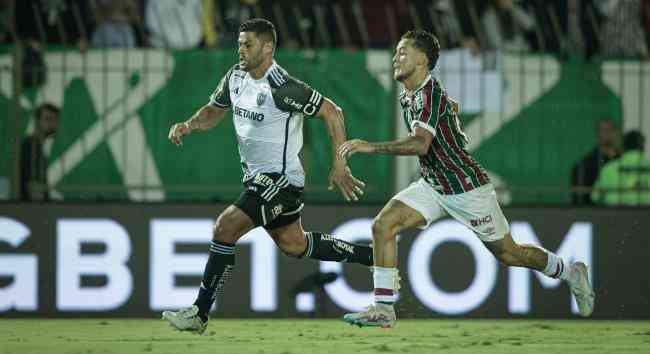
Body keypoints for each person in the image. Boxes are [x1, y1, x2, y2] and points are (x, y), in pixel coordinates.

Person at [338, 29, 595, 328]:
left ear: (422, 60)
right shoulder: (412, 93)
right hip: (434, 185)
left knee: (510, 254)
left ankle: (570, 271)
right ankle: (383, 308)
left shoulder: (429, 93)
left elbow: (421, 144)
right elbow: (445, 113)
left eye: (403, 52)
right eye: (396, 52)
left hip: (467, 189)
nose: (396, 57)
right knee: (383, 225)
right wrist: (451, 112)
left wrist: (370, 146)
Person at [162, 18, 373, 333]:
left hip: (280, 181)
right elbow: (213, 110)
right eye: (239, 44)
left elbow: (333, 112)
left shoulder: (283, 87)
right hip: (258, 181)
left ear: (268, 47)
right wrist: (189, 125)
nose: (241, 50)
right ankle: (371, 255)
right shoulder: (235, 77)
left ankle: (199, 314)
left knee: (225, 228)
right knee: (294, 244)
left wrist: (340, 162)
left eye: (248, 44)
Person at [591, 130, 650, 206]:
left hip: (616, 214)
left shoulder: (609, 168)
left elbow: (595, 197)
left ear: (623, 147)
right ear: (643, 147)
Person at [571, 119, 621, 205]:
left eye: (609, 130)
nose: (605, 133)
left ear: (616, 133)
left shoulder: (623, 160)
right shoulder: (584, 165)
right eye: (601, 130)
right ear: (597, 133)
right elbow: (580, 200)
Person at [20, 103, 60, 201]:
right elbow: (33, 185)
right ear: (37, 121)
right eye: (47, 119)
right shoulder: (31, 146)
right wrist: (40, 208)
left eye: (55, 120)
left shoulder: (36, 146)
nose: (52, 124)